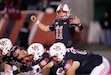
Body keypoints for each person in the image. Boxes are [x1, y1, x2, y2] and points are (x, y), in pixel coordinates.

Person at [43, 42, 110, 75]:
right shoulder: (63, 55)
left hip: (101, 64)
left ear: (61, 54)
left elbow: (70, 70)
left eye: (54, 57)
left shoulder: (68, 60)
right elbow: (46, 68)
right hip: (91, 65)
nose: (53, 59)